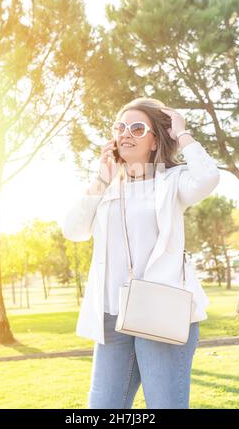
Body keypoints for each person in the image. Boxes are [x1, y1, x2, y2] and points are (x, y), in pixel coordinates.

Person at [62, 97, 220, 409]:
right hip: (111, 315)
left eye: (137, 128)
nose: (126, 133)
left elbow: (208, 178)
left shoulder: (172, 180)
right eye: (120, 127)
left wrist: (182, 134)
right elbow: (74, 230)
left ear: (154, 141)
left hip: (161, 311)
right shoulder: (108, 186)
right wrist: (99, 178)